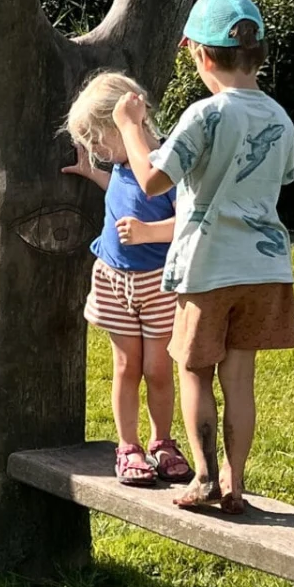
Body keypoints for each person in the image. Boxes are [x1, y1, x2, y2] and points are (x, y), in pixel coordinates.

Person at [112, 0, 294, 515]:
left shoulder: (206, 114)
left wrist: (129, 126)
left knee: (194, 370)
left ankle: (204, 479)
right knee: (240, 376)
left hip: (206, 268)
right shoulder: (281, 119)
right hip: (265, 268)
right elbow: (278, 178)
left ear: (198, 53)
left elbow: (150, 180)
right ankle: (237, 486)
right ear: (256, 53)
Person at [62, 71, 194, 488]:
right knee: (125, 366)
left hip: (157, 283)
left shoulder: (166, 162)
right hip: (114, 281)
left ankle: (162, 442)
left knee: (157, 369)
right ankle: (128, 446)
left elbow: (188, 220)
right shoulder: (121, 164)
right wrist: (93, 173)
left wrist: (146, 233)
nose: (96, 149)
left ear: (126, 125)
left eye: (98, 138)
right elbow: (124, 192)